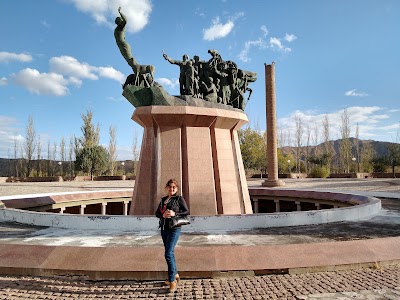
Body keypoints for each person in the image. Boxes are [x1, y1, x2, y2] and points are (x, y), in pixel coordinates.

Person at [155, 179, 189, 293]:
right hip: (164, 229)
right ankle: (175, 274)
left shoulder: (179, 199)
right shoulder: (163, 200)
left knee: (168, 253)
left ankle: (172, 280)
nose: (172, 189)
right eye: (170, 187)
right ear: (167, 188)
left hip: (174, 229)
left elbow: (186, 211)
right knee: (170, 253)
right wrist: (162, 215)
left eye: (174, 187)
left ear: (176, 189)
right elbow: (156, 213)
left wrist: (175, 214)